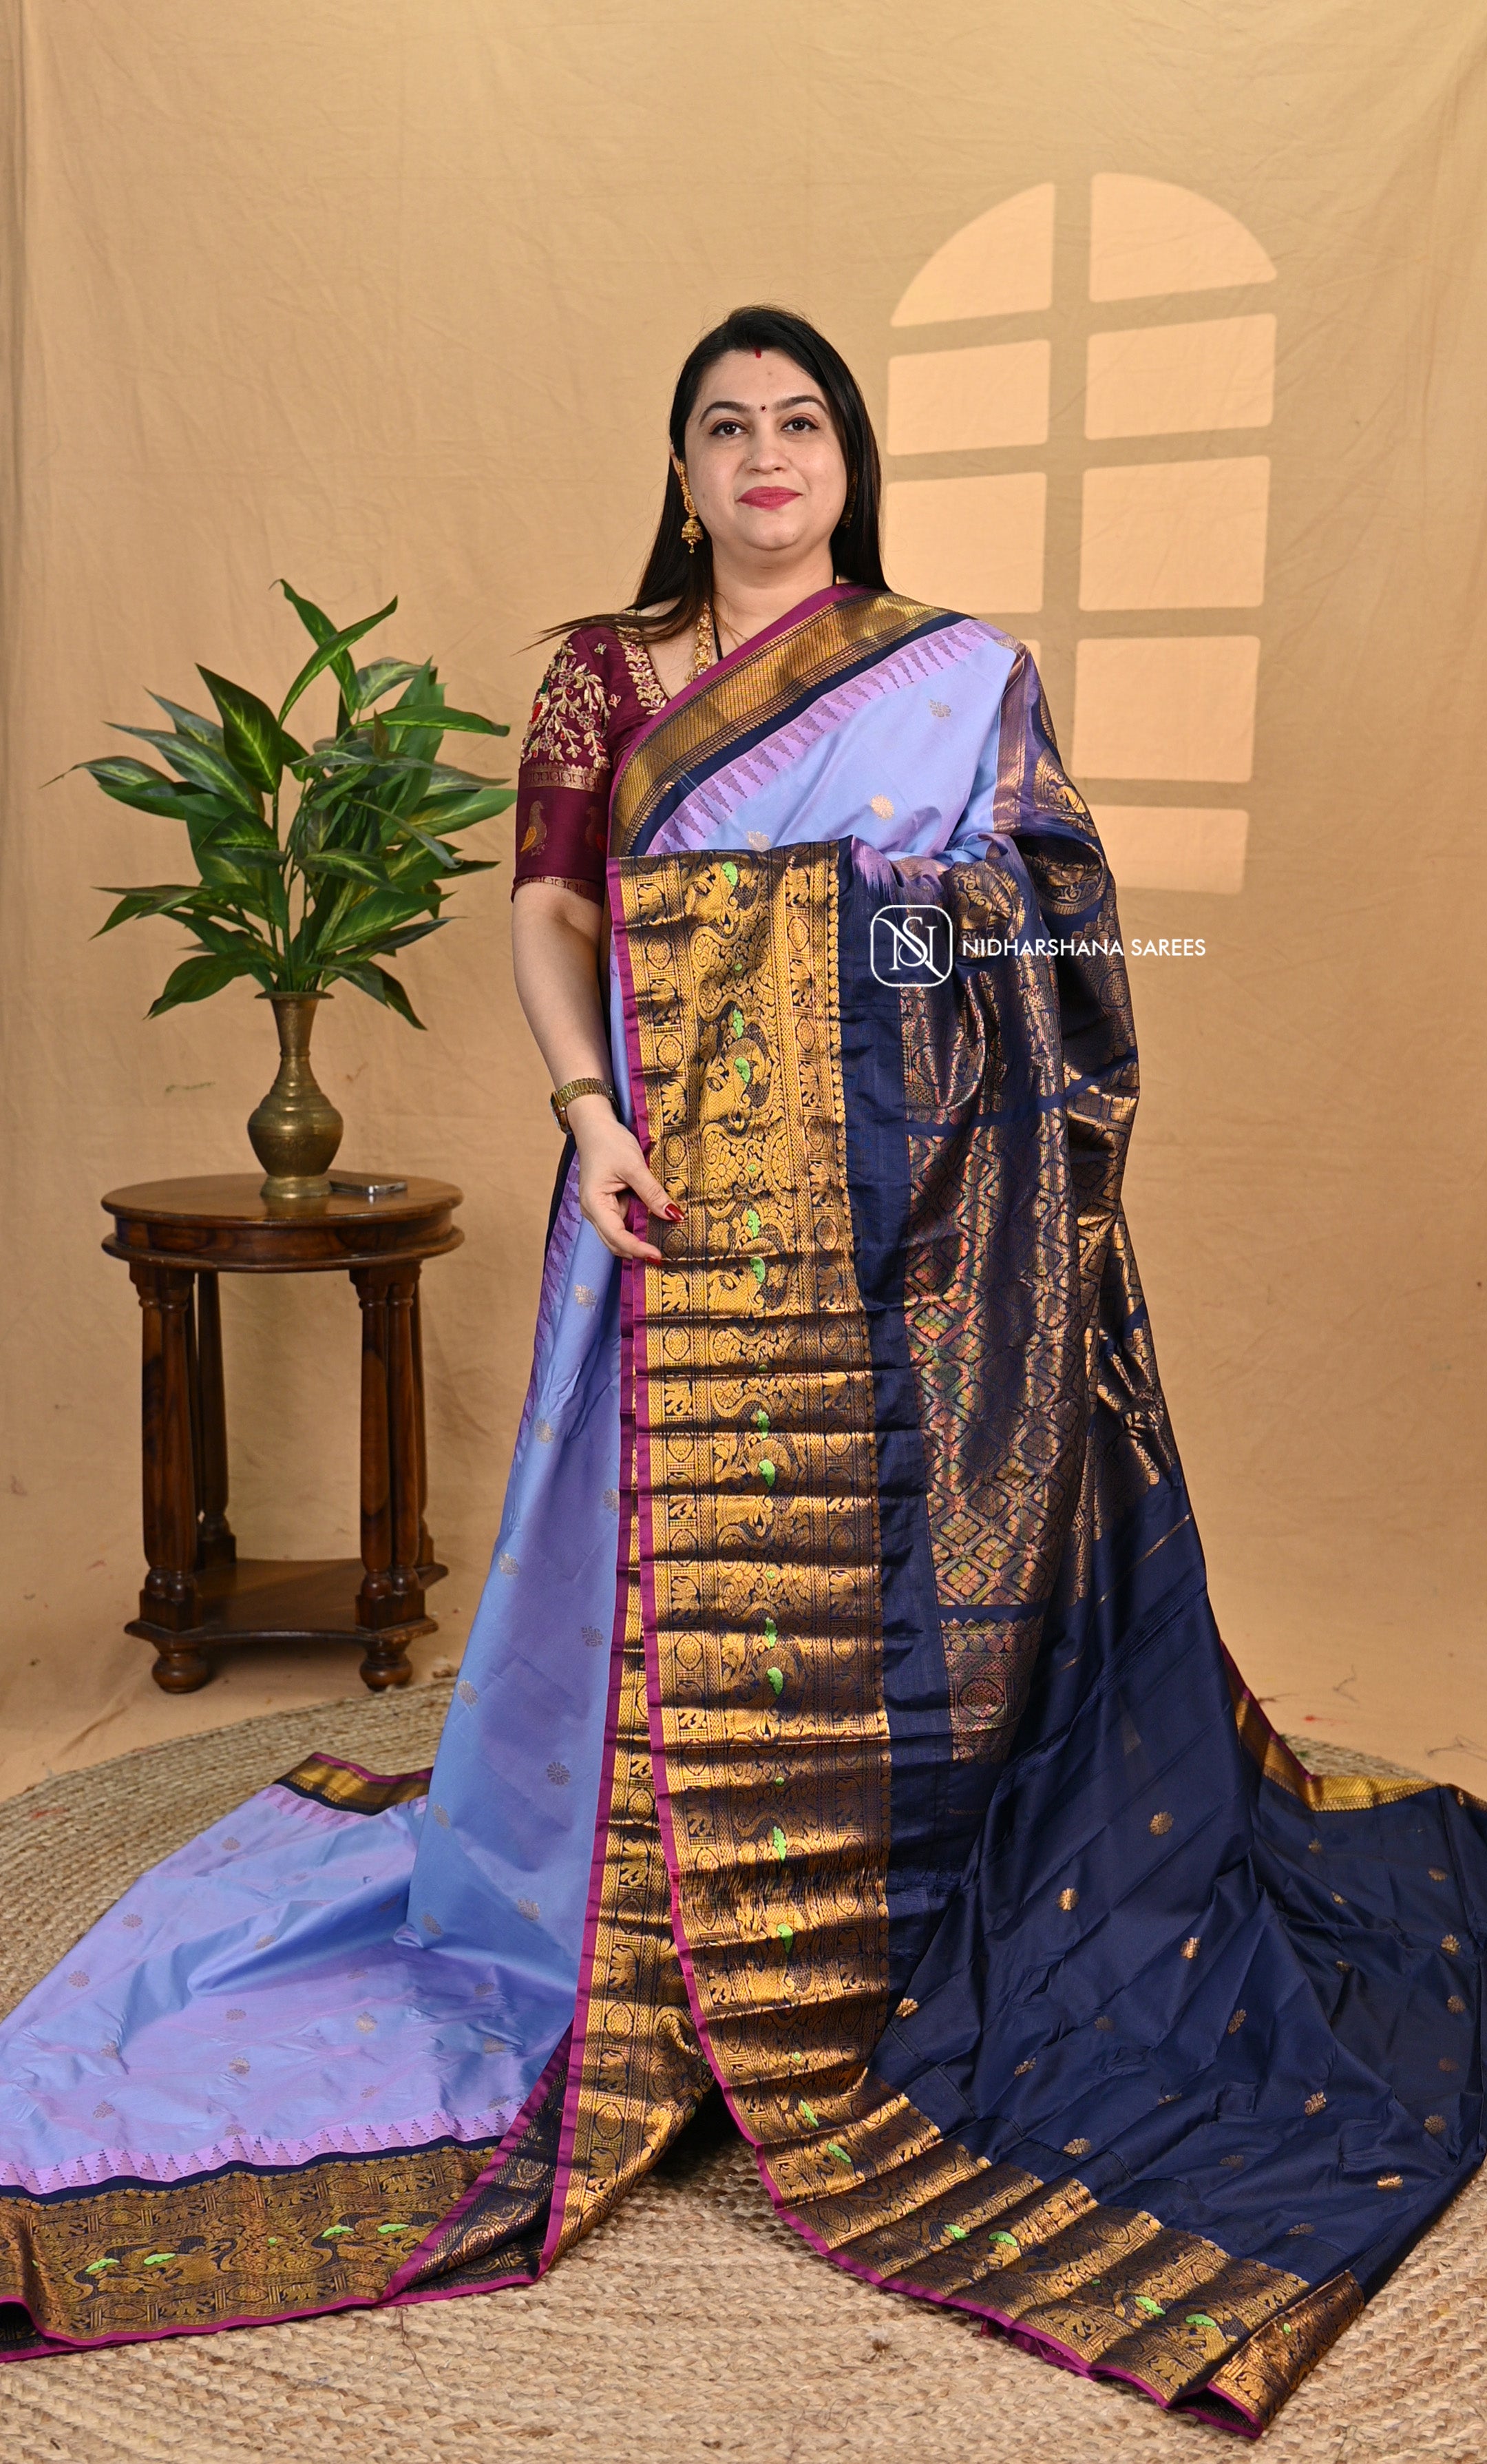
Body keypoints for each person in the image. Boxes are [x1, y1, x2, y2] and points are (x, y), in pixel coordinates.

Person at [0, 308, 1480, 2438]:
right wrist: (587, 1106)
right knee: (652, 1577)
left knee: (894, 1575)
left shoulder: (952, 676)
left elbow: (1047, 923)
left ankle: (884, 1915)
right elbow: (552, 910)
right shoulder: (606, 672)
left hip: (907, 1221)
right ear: (683, 469)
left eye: (801, 422)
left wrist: (888, 929)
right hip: (664, 1200)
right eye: (726, 426)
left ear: (847, 460)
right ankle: (647, 1919)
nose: (766, 454)